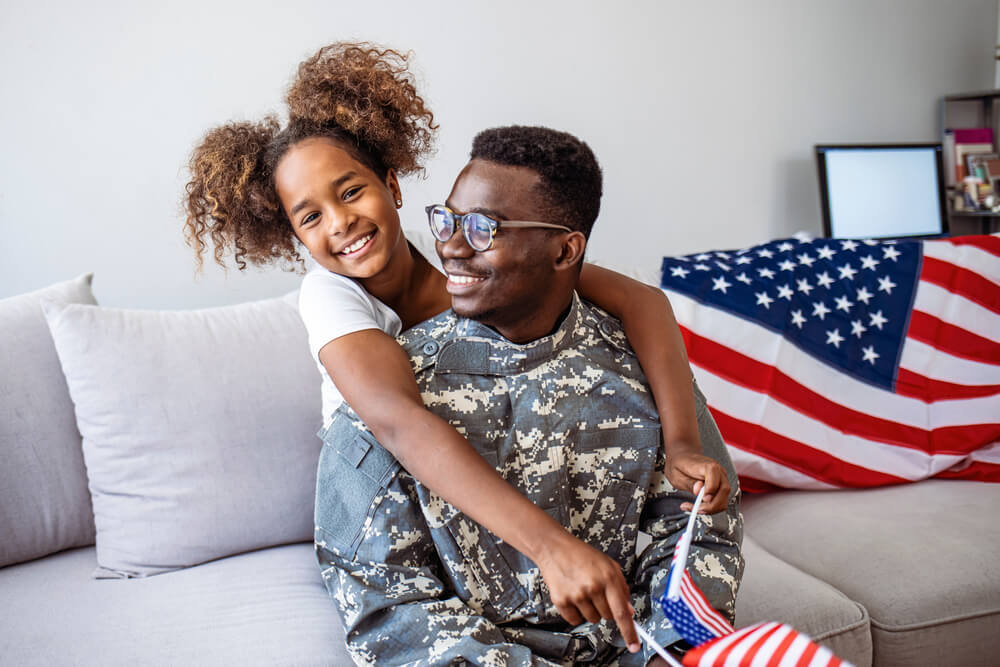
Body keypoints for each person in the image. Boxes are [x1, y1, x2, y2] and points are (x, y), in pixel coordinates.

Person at [182, 42, 732, 652]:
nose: (339, 222)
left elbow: (642, 301)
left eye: (350, 192)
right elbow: (400, 424)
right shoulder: (331, 297)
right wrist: (552, 546)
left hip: (495, 474)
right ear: (291, 234)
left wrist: (681, 443)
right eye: (309, 217)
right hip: (396, 491)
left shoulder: (454, 246)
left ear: (392, 185)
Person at [316, 124, 743, 665]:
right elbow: (384, 603)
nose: (448, 245)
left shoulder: (642, 367)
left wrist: (669, 653)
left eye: (482, 228)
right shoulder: (389, 389)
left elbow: (698, 535)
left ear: (566, 250)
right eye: (446, 220)